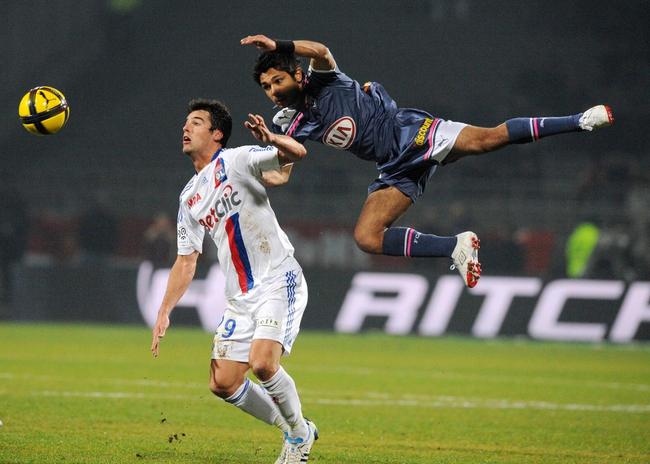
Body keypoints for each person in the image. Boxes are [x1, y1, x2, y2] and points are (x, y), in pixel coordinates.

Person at [241, 34, 615, 288]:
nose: (273, 91)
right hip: (393, 165)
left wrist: (279, 45)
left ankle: (579, 121)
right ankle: (456, 246)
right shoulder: (294, 124)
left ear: (296, 74)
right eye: (266, 87)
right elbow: (286, 170)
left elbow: (321, 50)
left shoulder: (325, 80)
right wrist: (263, 169)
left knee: (488, 140)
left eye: (277, 81)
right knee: (367, 237)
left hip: (410, 133)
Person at [150, 99, 317, 464]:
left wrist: (272, 138)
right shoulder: (189, 197)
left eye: (196, 122)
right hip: (240, 298)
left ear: (217, 134)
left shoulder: (237, 159)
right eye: (186, 122)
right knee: (223, 383)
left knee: (263, 364)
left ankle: (298, 437)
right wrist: (164, 310)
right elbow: (186, 260)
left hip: (277, 279)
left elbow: (295, 155)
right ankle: (296, 426)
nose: (186, 128)